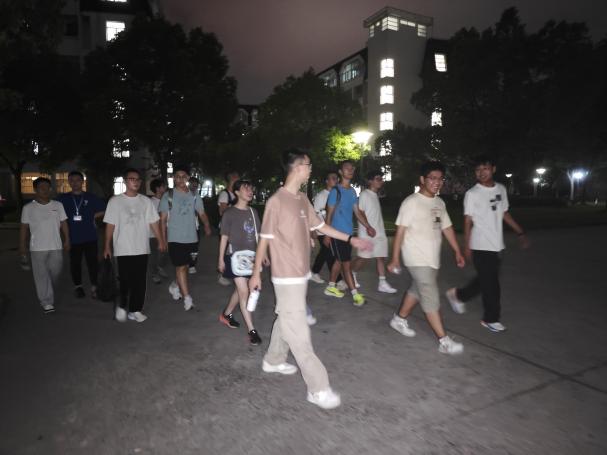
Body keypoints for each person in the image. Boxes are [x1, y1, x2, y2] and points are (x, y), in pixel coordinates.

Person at [249, 149, 371, 410]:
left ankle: (273, 360)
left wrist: (350, 238)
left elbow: (320, 227)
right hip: (285, 276)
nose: (311, 169)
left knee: (286, 317)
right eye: (308, 165)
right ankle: (318, 388)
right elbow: (265, 240)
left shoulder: (302, 198)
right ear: (296, 168)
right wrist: (256, 273)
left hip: (301, 272)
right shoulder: (276, 201)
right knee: (299, 331)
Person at [387, 161, 466, 355]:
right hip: (416, 258)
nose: (437, 182)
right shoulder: (411, 202)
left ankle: (399, 319)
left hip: (432, 258)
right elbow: (400, 232)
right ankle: (444, 341)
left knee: (417, 289)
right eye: (432, 178)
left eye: (440, 179)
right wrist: (395, 258)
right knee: (430, 296)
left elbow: (446, 227)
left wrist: (457, 250)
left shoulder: (439, 203)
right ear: (422, 179)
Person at [445, 155, 529, 332]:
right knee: (492, 285)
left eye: (485, 168)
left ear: (493, 169)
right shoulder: (472, 194)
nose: (481, 172)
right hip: (480, 245)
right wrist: (467, 246)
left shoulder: (501, 189)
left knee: (485, 280)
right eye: (478, 169)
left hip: (497, 245)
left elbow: (504, 213)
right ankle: (491, 319)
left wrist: (520, 231)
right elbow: (467, 221)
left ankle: (458, 295)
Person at [103, 168, 165, 323]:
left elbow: (153, 222)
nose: (136, 182)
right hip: (123, 248)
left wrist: (160, 240)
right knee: (124, 280)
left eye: (138, 179)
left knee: (140, 281)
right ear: (125, 181)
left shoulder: (145, 201)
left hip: (141, 247)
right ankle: (122, 305)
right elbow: (110, 225)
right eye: (132, 179)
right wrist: (107, 246)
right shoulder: (115, 201)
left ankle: (135, 309)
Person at [323, 160, 376, 306]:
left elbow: (357, 212)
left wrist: (368, 226)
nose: (350, 170)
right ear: (340, 172)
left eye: (352, 168)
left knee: (339, 261)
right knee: (346, 264)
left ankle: (331, 287)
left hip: (348, 234)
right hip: (337, 234)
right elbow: (329, 214)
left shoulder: (352, 192)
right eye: (347, 168)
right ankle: (355, 295)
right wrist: (327, 234)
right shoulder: (335, 191)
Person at [217, 180, 264, 345]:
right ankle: (252, 330)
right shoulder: (229, 213)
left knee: (240, 290)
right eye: (246, 188)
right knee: (244, 291)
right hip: (235, 257)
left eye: (251, 188)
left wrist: (263, 254)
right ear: (237, 192)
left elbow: (258, 236)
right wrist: (220, 259)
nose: (250, 191)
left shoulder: (253, 212)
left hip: (250, 258)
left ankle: (226, 314)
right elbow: (224, 237)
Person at [159, 165, 211, 311]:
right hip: (175, 238)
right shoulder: (168, 195)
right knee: (181, 266)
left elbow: (201, 213)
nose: (180, 179)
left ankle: (175, 285)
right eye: (177, 176)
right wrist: (163, 239)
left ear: (188, 178)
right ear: (174, 178)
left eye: (183, 176)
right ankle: (187, 298)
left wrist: (207, 225)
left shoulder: (194, 195)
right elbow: (162, 220)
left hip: (192, 238)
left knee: (187, 265)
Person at [19, 177, 70, 314]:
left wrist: (67, 239)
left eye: (47, 187)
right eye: (41, 187)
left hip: (56, 246)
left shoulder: (58, 205)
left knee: (56, 272)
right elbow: (24, 228)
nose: (45, 189)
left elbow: (64, 223)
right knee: (41, 276)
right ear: (35, 189)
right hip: (37, 248)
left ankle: (49, 289)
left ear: (50, 189)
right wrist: (22, 246)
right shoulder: (28, 208)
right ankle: (46, 302)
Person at [57, 171, 105, 299]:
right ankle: (78, 287)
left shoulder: (91, 197)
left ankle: (94, 286)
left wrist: (93, 216)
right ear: (69, 182)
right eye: (72, 180)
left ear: (82, 182)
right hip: (73, 238)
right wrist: (66, 238)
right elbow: (55, 214)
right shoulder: (63, 199)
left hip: (90, 237)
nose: (75, 183)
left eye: (78, 180)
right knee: (75, 263)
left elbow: (104, 209)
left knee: (92, 263)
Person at [351, 170, 397, 294]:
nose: (381, 181)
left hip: (379, 232)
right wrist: (368, 227)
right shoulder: (365, 194)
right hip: (367, 233)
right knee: (363, 258)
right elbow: (360, 212)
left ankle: (382, 283)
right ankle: (351, 274)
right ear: (370, 181)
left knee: (380, 257)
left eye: (381, 179)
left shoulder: (375, 195)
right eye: (378, 179)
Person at [310, 170, 339, 284]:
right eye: (333, 178)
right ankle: (338, 279)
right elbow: (314, 214)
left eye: (336, 178)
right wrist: (313, 230)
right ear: (327, 181)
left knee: (325, 252)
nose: (336, 180)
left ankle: (314, 272)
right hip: (323, 230)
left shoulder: (337, 195)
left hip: (334, 229)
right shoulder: (321, 196)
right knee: (329, 253)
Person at [217, 170, 240, 286]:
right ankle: (221, 274)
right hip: (226, 228)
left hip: (235, 227)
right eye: (237, 179)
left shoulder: (235, 194)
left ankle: (233, 272)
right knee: (226, 251)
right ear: (232, 179)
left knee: (232, 251)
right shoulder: (224, 194)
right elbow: (222, 211)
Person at [149, 178, 169, 284]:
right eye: (163, 186)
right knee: (155, 255)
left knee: (165, 253)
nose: (165, 188)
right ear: (157, 188)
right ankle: (154, 273)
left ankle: (160, 267)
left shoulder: (165, 201)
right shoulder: (151, 202)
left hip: (165, 231)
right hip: (153, 234)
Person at [188, 176, 201, 274]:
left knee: (194, 248)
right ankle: (186, 263)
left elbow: (198, 212)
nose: (194, 188)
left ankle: (192, 265)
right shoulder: (183, 195)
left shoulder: (197, 196)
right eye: (192, 185)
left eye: (196, 186)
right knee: (185, 247)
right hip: (184, 226)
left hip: (195, 226)